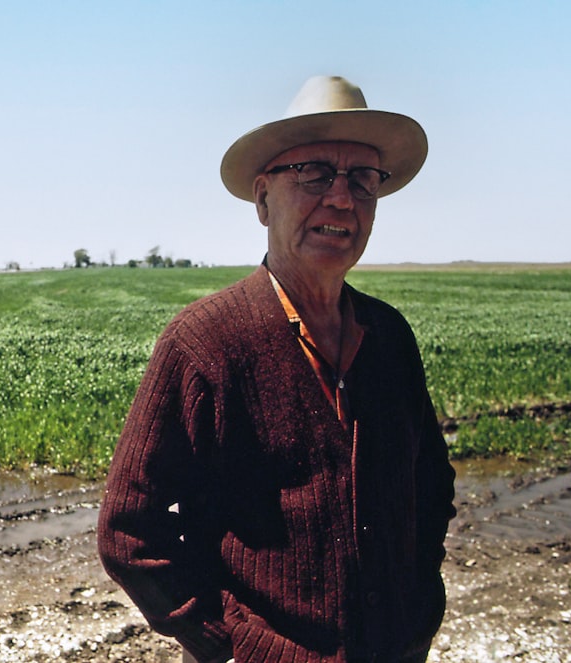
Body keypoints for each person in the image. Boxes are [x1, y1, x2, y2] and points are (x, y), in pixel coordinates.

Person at [97, 75, 456, 663]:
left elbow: (431, 487)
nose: (341, 198)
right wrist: (218, 638)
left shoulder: (389, 336)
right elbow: (128, 528)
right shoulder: (206, 342)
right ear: (263, 199)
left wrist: (417, 605)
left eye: (364, 179)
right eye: (315, 173)